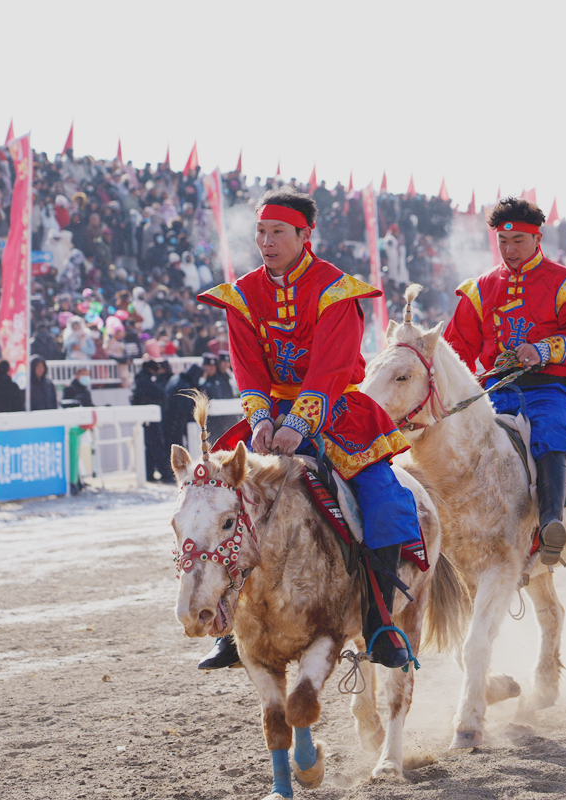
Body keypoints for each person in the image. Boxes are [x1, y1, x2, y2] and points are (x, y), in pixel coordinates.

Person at [197, 187, 418, 671]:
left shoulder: (336, 288)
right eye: (261, 231)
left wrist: (298, 423)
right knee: (216, 500)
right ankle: (231, 626)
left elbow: (331, 367)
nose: (267, 241)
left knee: (383, 498)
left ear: (304, 234)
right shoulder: (241, 295)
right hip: (268, 413)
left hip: (336, 409)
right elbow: (247, 369)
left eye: (278, 231)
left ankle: (380, 622)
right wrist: (260, 422)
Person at [443, 197, 566, 566]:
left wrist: (544, 350)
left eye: (518, 241)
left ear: (538, 238)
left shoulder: (565, 283)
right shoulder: (479, 289)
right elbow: (457, 350)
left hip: (550, 384)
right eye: (503, 241)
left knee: (550, 432)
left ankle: (551, 521)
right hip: (497, 389)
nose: (510, 249)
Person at [130, 359, 172, 483]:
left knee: (149, 448)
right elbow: (161, 393)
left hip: (145, 420)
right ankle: (165, 474)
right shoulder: (144, 381)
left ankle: (149, 474)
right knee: (156, 446)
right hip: (150, 421)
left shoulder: (140, 380)